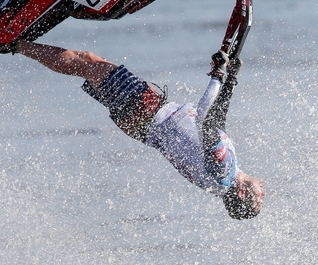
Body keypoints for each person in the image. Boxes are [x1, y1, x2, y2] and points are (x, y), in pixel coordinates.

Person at [13, 40, 265, 219]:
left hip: (147, 111)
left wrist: (218, 75)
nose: (263, 192)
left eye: (259, 197)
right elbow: (218, 123)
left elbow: (205, 121)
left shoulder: (225, 171)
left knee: (87, 63)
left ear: (243, 193)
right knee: (89, 66)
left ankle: (14, 43)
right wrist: (231, 79)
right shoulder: (221, 181)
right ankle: (19, 42)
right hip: (142, 124)